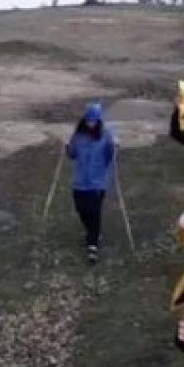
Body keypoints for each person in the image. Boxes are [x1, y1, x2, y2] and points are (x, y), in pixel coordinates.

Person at [64, 102, 118, 263]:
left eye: (93, 121)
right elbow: (73, 154)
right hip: (80, 181)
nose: (90, 124)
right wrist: (68, 147)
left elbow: (110, 156)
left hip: (97, 182)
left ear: (98, 120)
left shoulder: (106, 135)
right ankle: (91, 231)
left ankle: (92, 246)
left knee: (94, 211)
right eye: (88, 120)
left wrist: (114, 147)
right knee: (82, 209)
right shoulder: (78, 134)